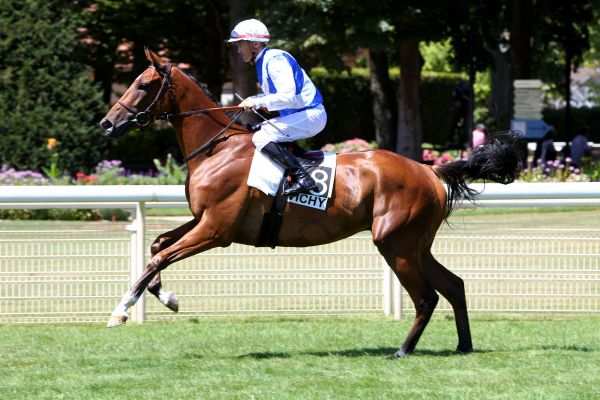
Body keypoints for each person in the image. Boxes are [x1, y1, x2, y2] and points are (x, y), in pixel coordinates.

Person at [227, 18, 327, 196]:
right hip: (301, 115)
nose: (238, 50)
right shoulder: (263, 61)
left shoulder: (274, 60)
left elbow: (287, 96)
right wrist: (255, 100)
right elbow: (278, 97)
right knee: (256, 130)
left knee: (261, 137)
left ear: (255, 44)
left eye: (240, 44)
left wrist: (257, 102)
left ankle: (303, 178)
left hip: (311, 115)